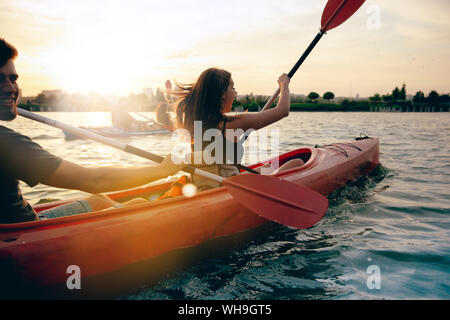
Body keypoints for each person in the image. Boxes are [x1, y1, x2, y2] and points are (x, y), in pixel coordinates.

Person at [0, 38, 184, 224]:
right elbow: (94, 181)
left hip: (15, 222)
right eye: (0, 79)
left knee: (99, 201)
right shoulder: (8, 144)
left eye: (13, 78)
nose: (10, 88)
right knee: (139, 203)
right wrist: (163, 170)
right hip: (26, 233)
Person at [171, 67, 303, 189]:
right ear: (222, 94)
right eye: (232, 88)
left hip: (204, 186)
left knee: (267, 167)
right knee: (296, 163)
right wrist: (284, 84)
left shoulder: (195, 125)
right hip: (229, 187)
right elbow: (282, 110)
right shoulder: (231, 123)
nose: (235, 93)